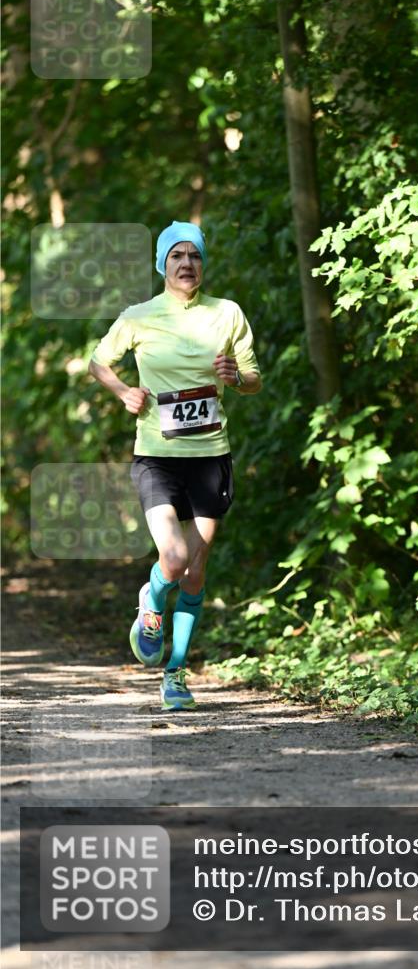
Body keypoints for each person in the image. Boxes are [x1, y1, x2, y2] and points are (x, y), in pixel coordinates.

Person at [88, 220, 262, 711]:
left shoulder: (227, 314)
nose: (187, 264)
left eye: (195, 256)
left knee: (196, 573)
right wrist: (123, 390)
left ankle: (176, 673)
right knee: (175, 557)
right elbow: (98, 361)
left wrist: (238, 376)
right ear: (162, 265)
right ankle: (151, 603)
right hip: (157, 457)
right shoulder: (139, 317)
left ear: (203, 264)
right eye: (176, 256)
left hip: (210, 458)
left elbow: (253, 379)